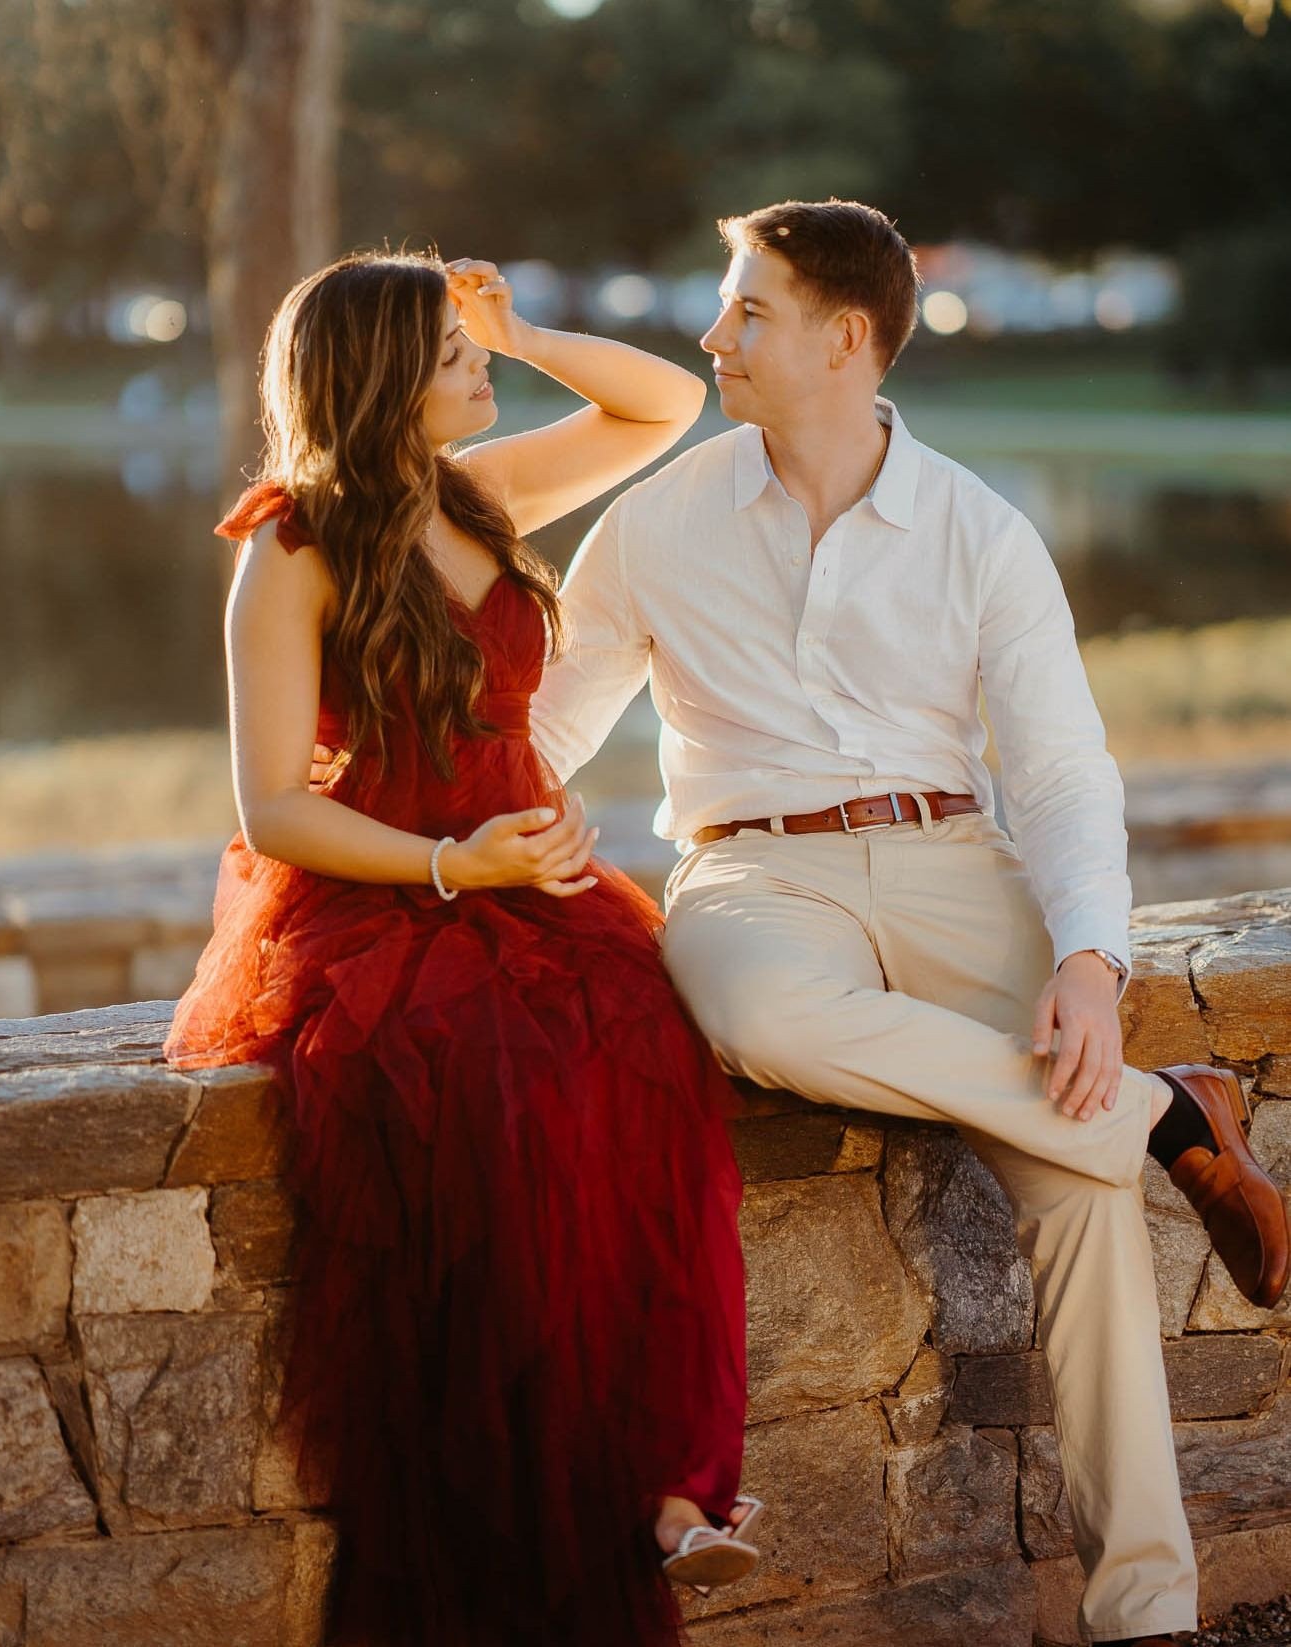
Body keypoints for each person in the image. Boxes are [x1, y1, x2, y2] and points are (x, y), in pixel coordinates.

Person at [523, 200, 1290, 1647]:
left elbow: (1058, 768)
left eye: (746, 312)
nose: (710, 338)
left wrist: (1082, 958)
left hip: (950, 858)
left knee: (1072, 1190)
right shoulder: (658, 520)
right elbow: (548, 728)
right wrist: (406, 800)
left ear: (846, 340)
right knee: (755, 1016)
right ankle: (1164, 1119)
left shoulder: (978, 534)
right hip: (754, 879)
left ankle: (1148, 1617)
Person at [163, 248, 762, 1647]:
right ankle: (564, 1498)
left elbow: (659, 407)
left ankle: (669, 1489)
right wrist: (449, 864)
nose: (475, 370)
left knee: (647, 1054)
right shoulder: (291, 545)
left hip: (531, 885)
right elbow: (271, 807)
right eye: (448, 353)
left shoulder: (481, 499)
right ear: (375, 380)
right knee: (488, 1094)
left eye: (469, 345)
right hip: (386, 897)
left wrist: (521, 324)